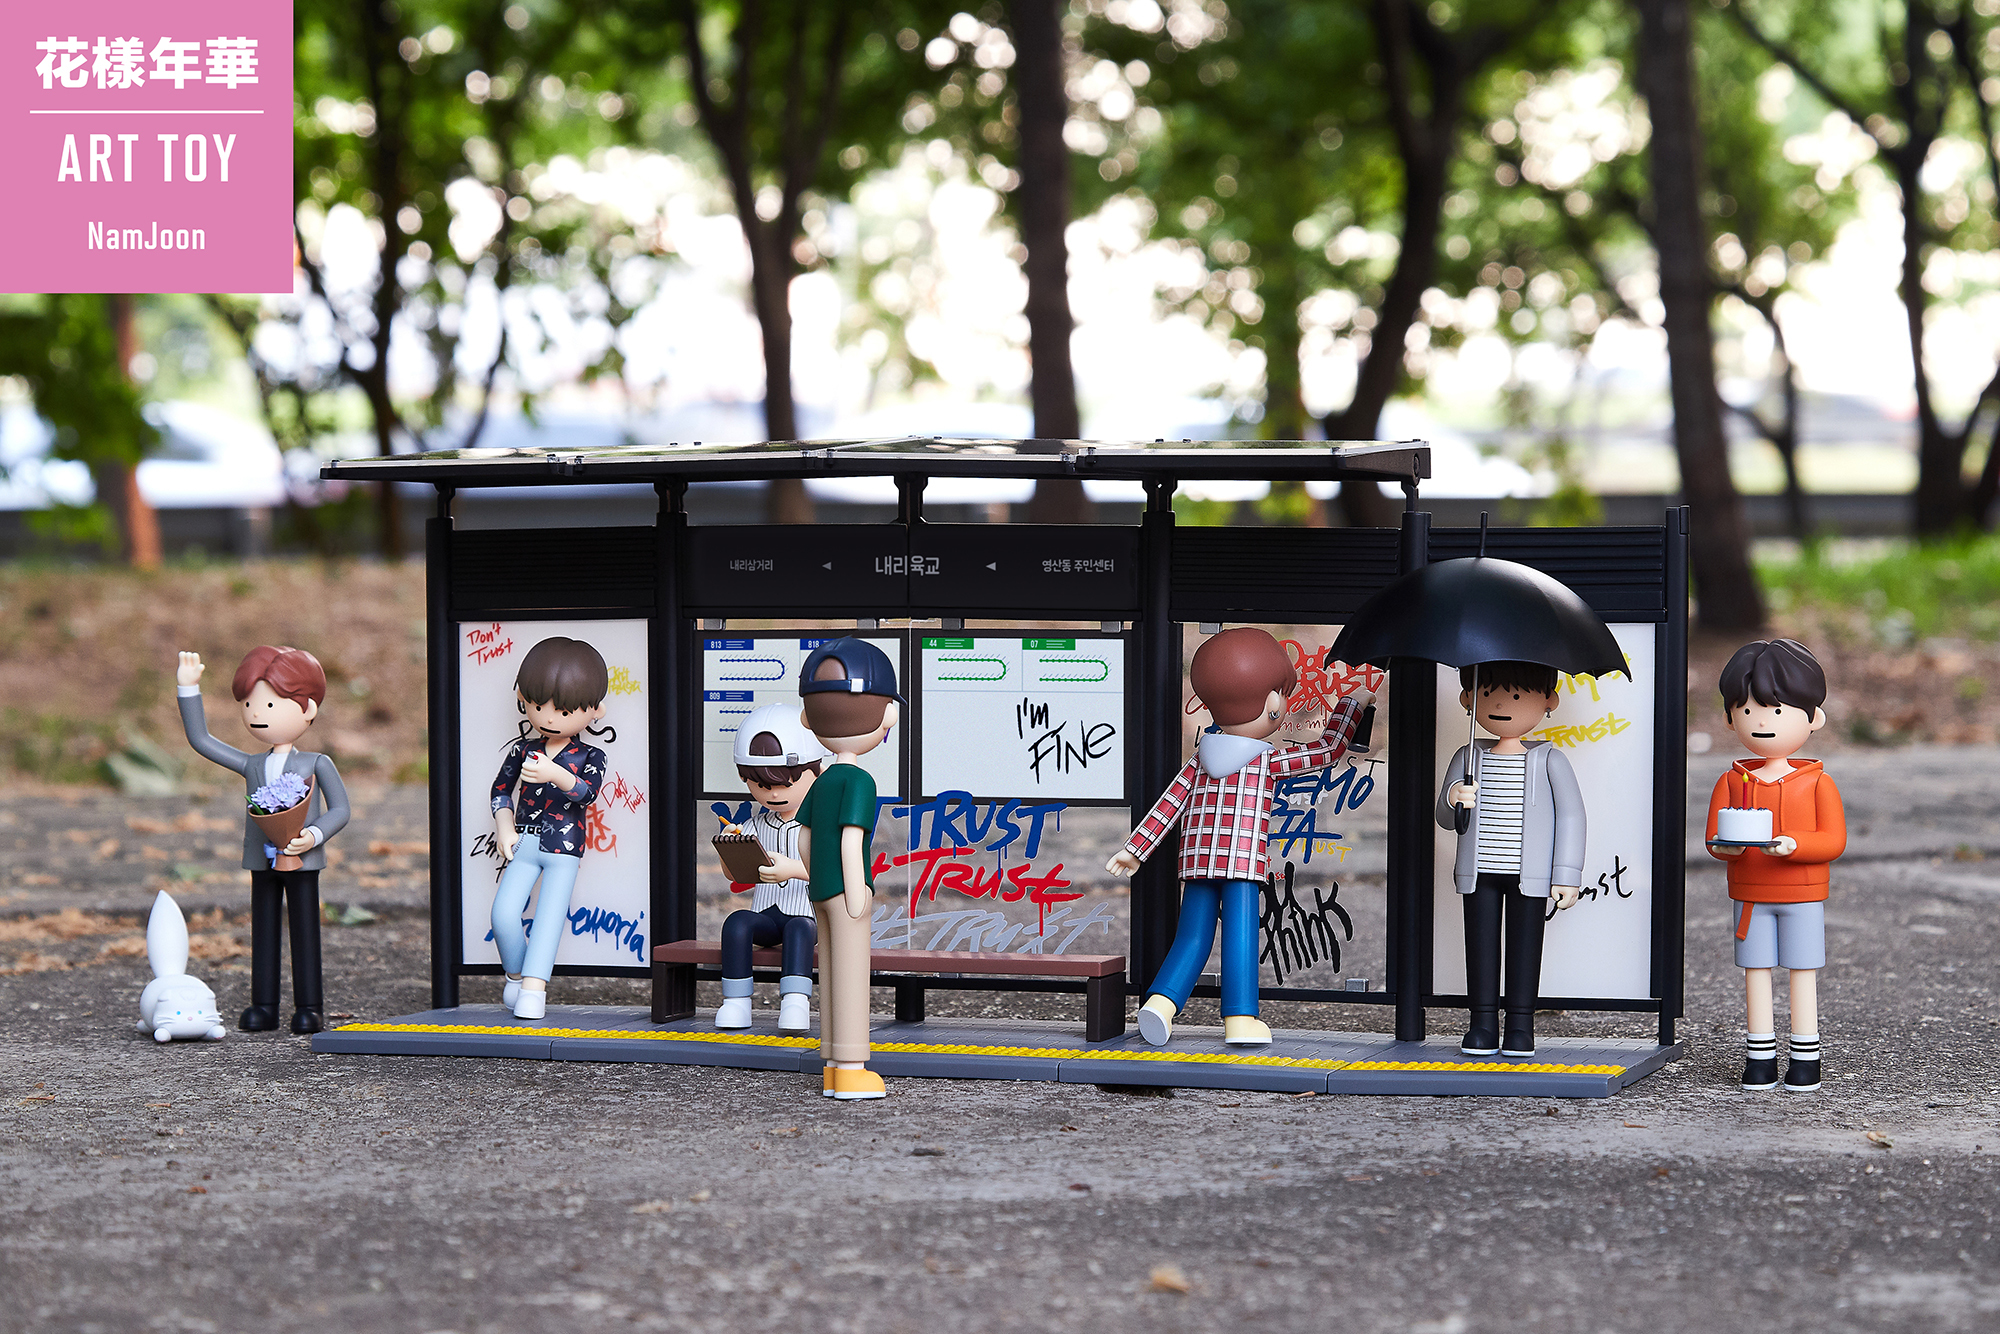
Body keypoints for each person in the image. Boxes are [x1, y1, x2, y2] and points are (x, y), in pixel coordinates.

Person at [1107, 627, 1371, 1047]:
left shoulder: (1201, 757)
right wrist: (1353, 704)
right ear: (1272, 703)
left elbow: (1169, 803)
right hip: (1242, 863)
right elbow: (1327, 750)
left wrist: (1134, 850)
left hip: (1197, 860)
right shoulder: (1265, 761)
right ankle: (1240, 1018)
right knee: (1240, 936)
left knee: (1192, 936)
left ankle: (1161, 1004)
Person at [175, 646, 350, 1034]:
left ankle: (309, 1007)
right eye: (250, 704)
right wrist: (188, 689)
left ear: (308, 708)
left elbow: (340, 809)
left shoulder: (316, 763)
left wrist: (313, 835)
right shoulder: (252, 764)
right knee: (264, 931)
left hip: (302, 859)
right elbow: (202, 740)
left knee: (305, 932)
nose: (256, 713)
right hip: (263, 858)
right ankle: (264, 1005)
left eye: (269, 705)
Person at [1706, 638, 1845, 1092]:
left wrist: (1794, 844)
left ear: (1814, 718)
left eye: (1777, 710)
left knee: (1803, 972)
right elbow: (1714, 836)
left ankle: (1806, 1057)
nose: (1761, 721)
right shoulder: (1731, 781)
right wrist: (1725, 849)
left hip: (1802, 894)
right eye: (1747, 710)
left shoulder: (1819, 783)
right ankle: (1759, 1056)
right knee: (1756, 973)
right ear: (1730, 718)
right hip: (1750, 894)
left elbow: (1833, 840)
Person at [1437, 661, 1586, 1059]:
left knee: (1525, 948)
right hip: (1479, 872)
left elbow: (1572, 817)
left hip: (1530, 875)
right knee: (1480, 947)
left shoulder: (1551, 760)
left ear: (1549, 701)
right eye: (1487, 694)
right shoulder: (1467, 757)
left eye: (1518, 695)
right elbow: (1446, 818)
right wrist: (1453, 797)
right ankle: (1482, 1023)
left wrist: (1567, 874)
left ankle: (1521, 1025)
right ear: (1468, 699)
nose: (1502, 704)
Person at [794, 638, 899, 1100]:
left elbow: (804, 836)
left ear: (808, 717)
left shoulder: (822, 781)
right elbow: (852, 837)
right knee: (851, 972)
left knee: (830, 970)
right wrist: (857, 891)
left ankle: (833, 1066)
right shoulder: (859, 780)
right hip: (847, 889)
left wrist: (813, 874)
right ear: (886, 715)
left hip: (819, 888)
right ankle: (853, 1068)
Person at [489, 637, 610, 1021]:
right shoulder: (523, 750)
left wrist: (556, 774)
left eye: (564, 710)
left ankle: (533, 989)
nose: (549, 717)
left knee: (548, 919)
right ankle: (515, 974)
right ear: (523, 699)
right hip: (523, 841)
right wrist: (504, 827)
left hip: (564, 847)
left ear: (595, 711)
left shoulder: (591, 755)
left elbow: (588, 794)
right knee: (503, 914)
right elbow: (500, 790)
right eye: (538, 705)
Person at [716, 703, 827, 1032]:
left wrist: (792, 869)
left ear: (816, 771)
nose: (774, 793)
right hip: (766, 915)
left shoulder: (818, 824)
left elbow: (832, 869)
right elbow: (735, 874)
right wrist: (729, 847)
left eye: (785, 783)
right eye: (762, 785)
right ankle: (735, 1002)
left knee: (799, 930)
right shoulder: (753, 825)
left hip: (807, 916)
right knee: (737, 923)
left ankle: (795, 1001)